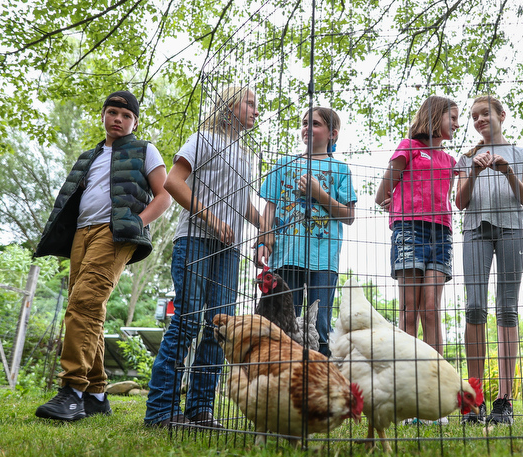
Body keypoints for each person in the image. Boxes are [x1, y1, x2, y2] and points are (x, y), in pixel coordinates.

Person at [34, 90, 171, 421]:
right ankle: (96, 394)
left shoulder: (144, 150)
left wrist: (137, 222)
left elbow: (165, 195)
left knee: (84, 304)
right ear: (104, 116)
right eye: (112, 113)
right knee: (83, 307)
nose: (118, 119)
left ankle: (71, 392)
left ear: (134, 121)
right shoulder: (88, 156)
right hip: (82, 235)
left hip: (115, 235)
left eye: (126, 116)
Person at [144, 86, 261, 429]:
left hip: (229, 249)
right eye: (249, 103)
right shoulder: (203, 138)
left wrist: (269, 225)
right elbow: (173, 182)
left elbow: (242, 204)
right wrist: (212, 219)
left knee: (220, 328)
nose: (256, 110)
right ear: (228, 105)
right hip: (195, 240)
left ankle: (201, 409)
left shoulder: (245, 154)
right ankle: (161, 410)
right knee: (188, 320)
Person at [455, 95, 523, 425]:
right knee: (474, 306)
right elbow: (460, 202)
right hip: (475, 231)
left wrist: (508, 172)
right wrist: (473, 172)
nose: (478, 120)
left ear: (502, 115)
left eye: (484, 114)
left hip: (512, 229)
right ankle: (474, 398)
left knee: (507, 308)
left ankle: (504, 400)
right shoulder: (466, 156)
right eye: (473, 117)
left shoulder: (522, 153)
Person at [256, 107, 357, 357]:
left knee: (318, 327)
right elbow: (269, 208)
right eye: (304, 123)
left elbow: (350, 216)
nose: (307, 128)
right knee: (280, 326)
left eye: (315, 124)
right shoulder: (283, 164)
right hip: (285, 257)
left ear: (332, 134)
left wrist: (319, 194)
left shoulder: (341, 169)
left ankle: (319, 384)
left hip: (323, 261)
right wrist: (263, 241)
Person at [375, 96, 458, 358]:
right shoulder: (408, 148)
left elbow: (445, 196)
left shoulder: (450, 161)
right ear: (435, 117)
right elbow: (382, 195)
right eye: (452, 118)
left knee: (431, 308)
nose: (456, 124)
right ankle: (407, 373)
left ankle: (436, 378)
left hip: (441, 234)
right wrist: (393, 197)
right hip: (409, 231)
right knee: (409, 310)